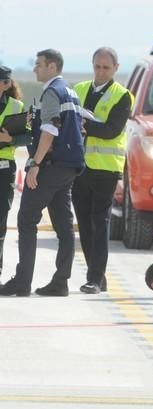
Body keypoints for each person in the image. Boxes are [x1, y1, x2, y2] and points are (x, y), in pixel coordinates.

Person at [0, 49, 84, 297]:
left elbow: (50, 131)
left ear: (52, 66)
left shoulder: (51, 92)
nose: (35, 68)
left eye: (39, 64)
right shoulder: (70, 91)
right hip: (69, 166)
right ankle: (61, 282)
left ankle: (22, 282)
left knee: (26, 219)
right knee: (63, 226)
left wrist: (35, 164)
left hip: (50, 165)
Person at [72, 47, 133, 294]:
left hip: (106, 171)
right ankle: (96, 275)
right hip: (79, 167)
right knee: (85, 224)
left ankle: (95, 278)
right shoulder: (78, 90)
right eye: (97, 66)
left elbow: (112, 130)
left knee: (100, 222)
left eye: (106, 67)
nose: (100, 71)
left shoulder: (123, 95)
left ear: (115, 68)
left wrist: (85, 126)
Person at [0, 66, 31, 285]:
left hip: (4, 170)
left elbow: (28, 138)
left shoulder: (16, 107)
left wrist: (10, 139)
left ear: (6, 84)